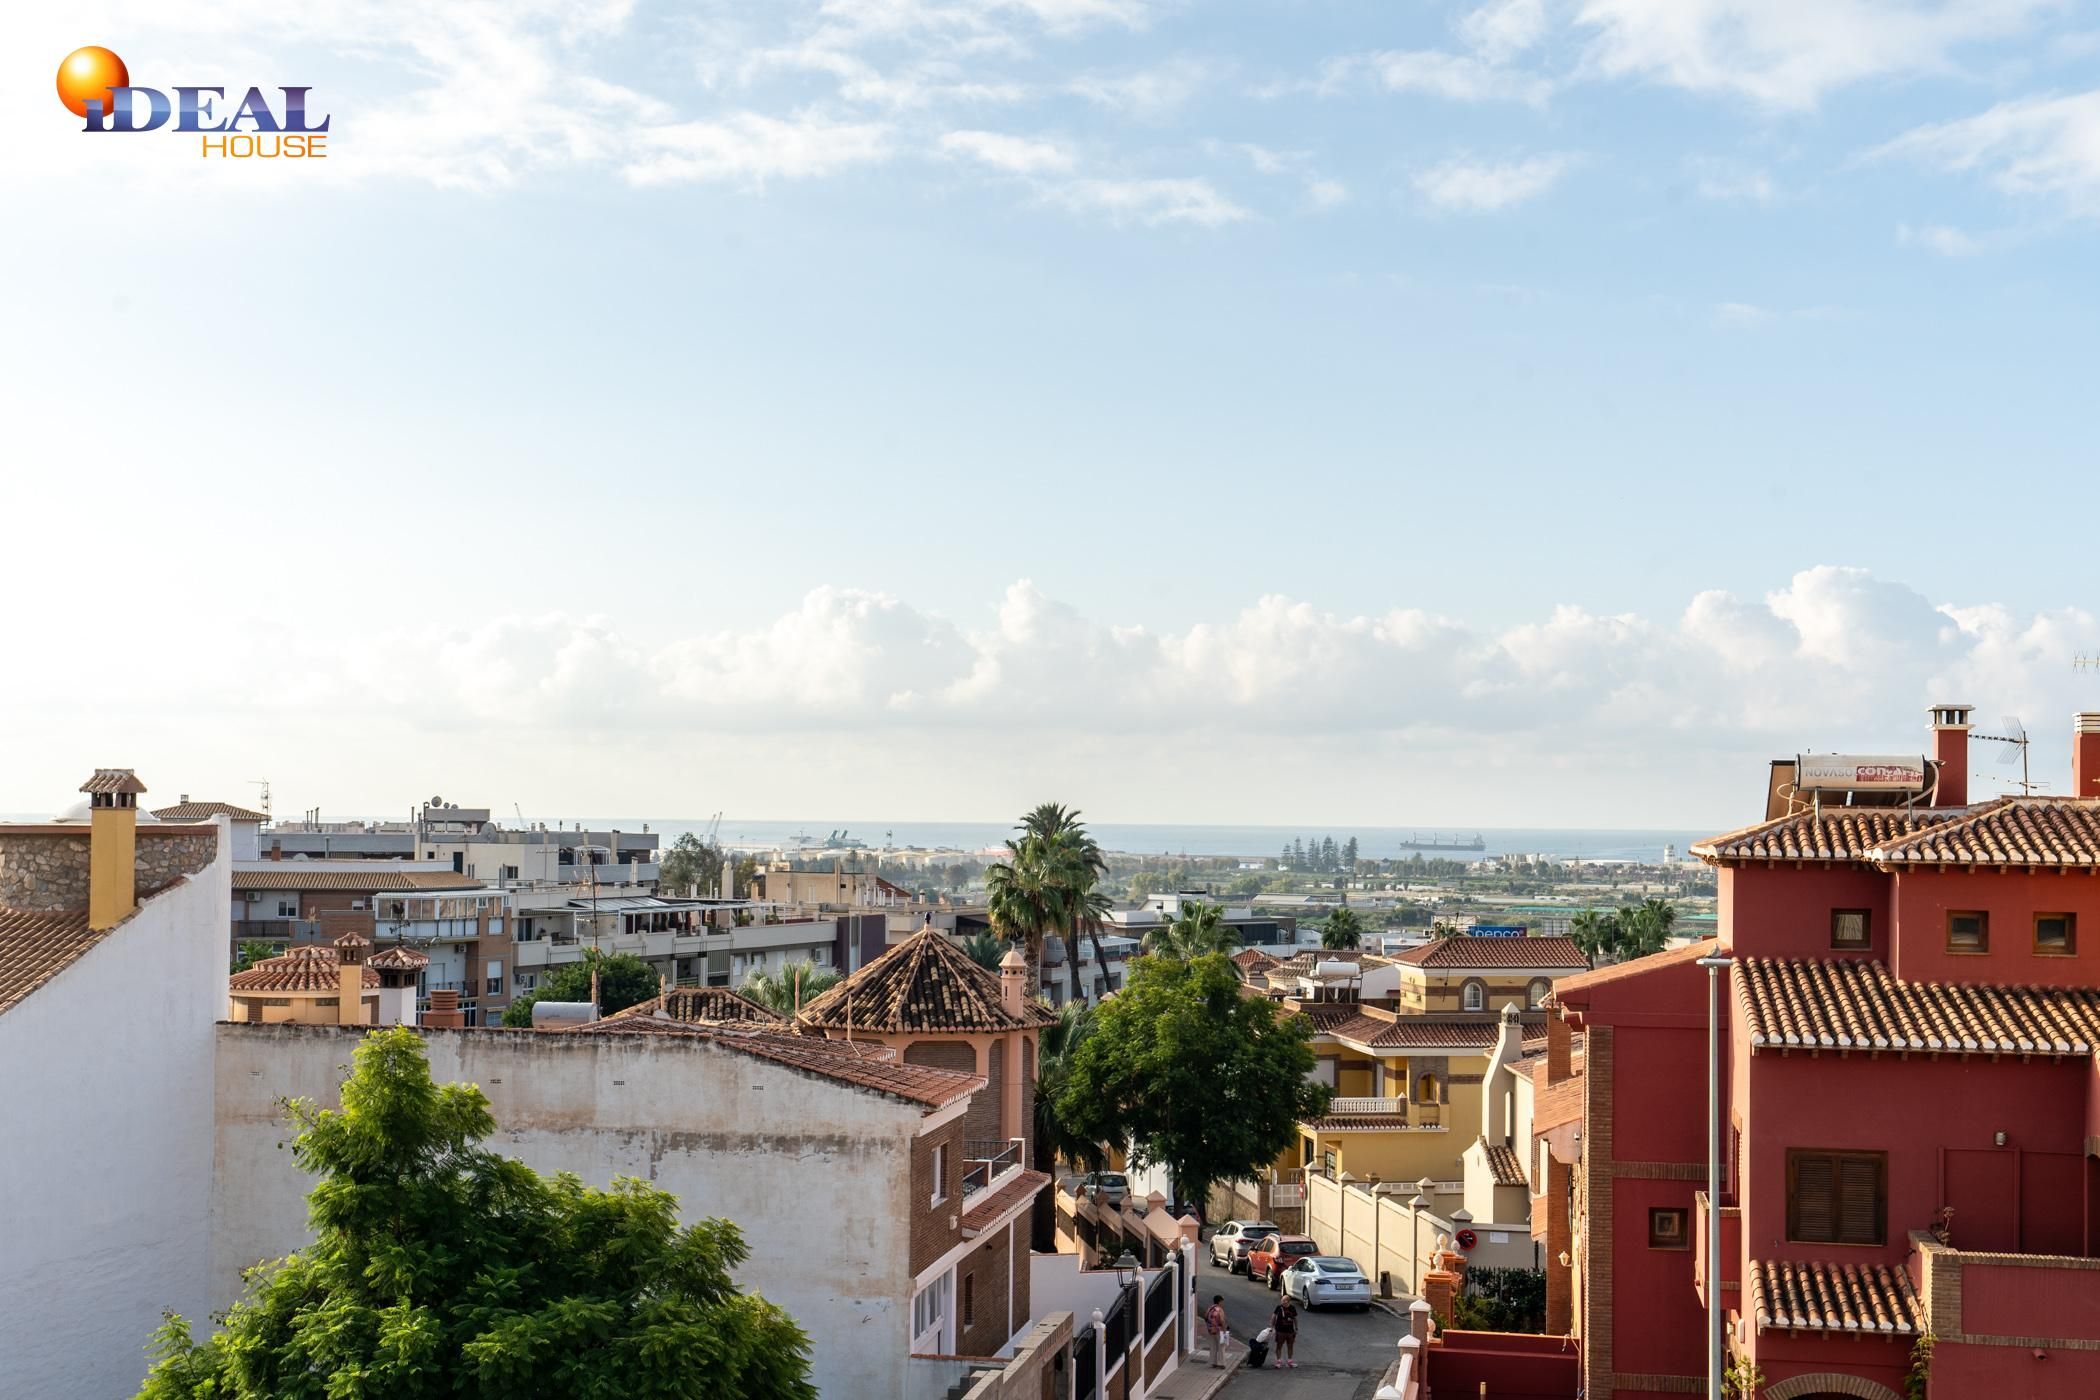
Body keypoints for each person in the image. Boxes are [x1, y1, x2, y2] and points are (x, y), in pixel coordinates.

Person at [1270, 1294, 1299, 1369]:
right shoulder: (1279, 1307)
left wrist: (1296, 1328)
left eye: (1283, 1300)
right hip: (1280, 1331)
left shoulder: (1292, 1308)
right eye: (1282, 1300)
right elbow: (1273, 1317)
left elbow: (1295, 1318)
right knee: (1279, 1346)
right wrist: (1272, 1327)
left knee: (1290, 1346)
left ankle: (1290, 1361)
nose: (1282, 1301)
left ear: (1287, 1301)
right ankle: (1278, 1362)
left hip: (1290, 1331)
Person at [1205, 1294, 1231, 1368]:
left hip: (1210, 1330)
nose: (1222, 1303)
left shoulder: (1210, 1308)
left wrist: (1210, 1327)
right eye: (1222, 1302)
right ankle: (1222, 1363)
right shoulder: (1219, 1309)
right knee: (1221, 1347)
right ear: (1219, 1302)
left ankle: (1213, 1362)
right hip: (1219, 1331)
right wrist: (1225, 1330)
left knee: (1213, 1346)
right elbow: (1222, 1320)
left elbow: (1205, 1317)